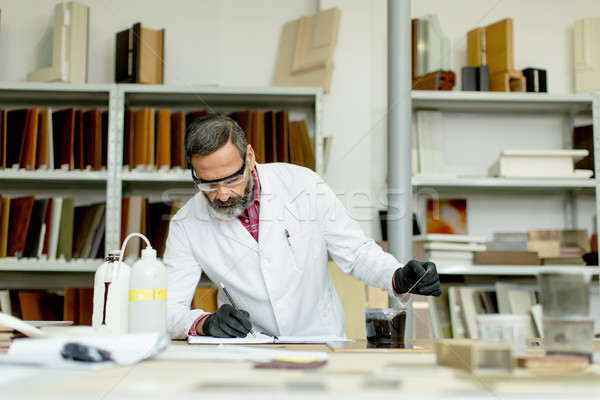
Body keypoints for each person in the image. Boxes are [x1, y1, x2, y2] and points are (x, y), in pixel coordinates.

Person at [164, 112, 441, 339]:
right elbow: (167, 310)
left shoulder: (303, 185)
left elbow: (355, 252)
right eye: (208, 184)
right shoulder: (186, 224)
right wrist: (205, 323)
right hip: (248, 348)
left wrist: (396, 275)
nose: (222, 194)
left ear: (249, 157)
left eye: (232, 180)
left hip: (319, 341)